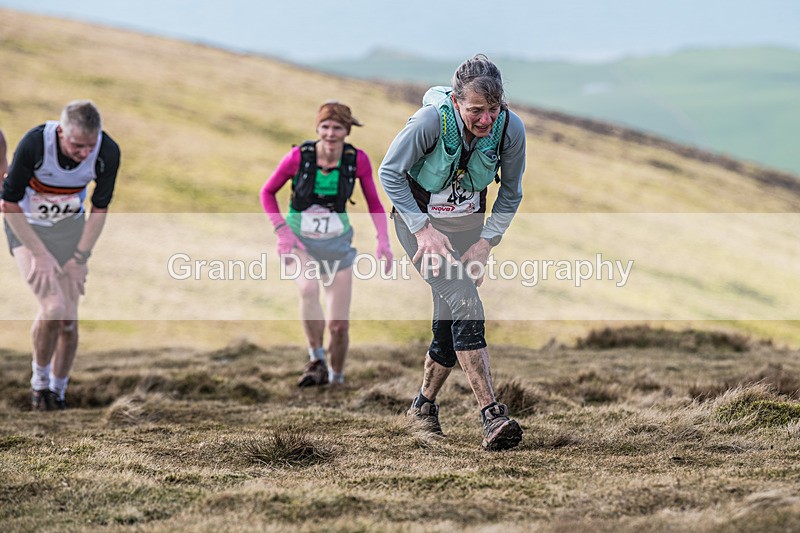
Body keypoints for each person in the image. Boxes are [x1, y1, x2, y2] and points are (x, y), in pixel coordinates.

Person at [378, 54, 527, 451]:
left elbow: (511, 191)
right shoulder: (429, 122)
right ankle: (491, 416)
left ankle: (422, 408)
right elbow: (389, 172)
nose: (486, 120)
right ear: (458, 102)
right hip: (420, 227)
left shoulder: (510, 130)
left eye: (493, 110)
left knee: (449, 314)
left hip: (468, 231)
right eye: (476, 110)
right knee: (465, 302)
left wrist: (487, 241)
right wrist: (422, 228)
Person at [261, 101, 392, 387]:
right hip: (299, 241)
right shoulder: (298, 157)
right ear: (317, 128)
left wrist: (384, 240)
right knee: (308, 288)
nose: (330, 133)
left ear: (347, 130)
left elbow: (375, 204)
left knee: (339, 326)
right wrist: (282, 231)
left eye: (337, 128)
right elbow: (267, 192)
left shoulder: (357, 161)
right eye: (325, 127)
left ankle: (336, 378)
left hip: (337, 245)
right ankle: (316, 357)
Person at [2, 100, 121, 411]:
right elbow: (9, 204)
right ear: (61, 131)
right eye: (77, 145)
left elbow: (100, 207)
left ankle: (58, 392)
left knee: (68, 320)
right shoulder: (35, 144)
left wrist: (80, 257)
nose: (84, 153)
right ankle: (39, 387)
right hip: (26, 229)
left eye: (90, 145)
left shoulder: (107, 151)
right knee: (53, 307)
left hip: (70, 232)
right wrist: (38, 254)